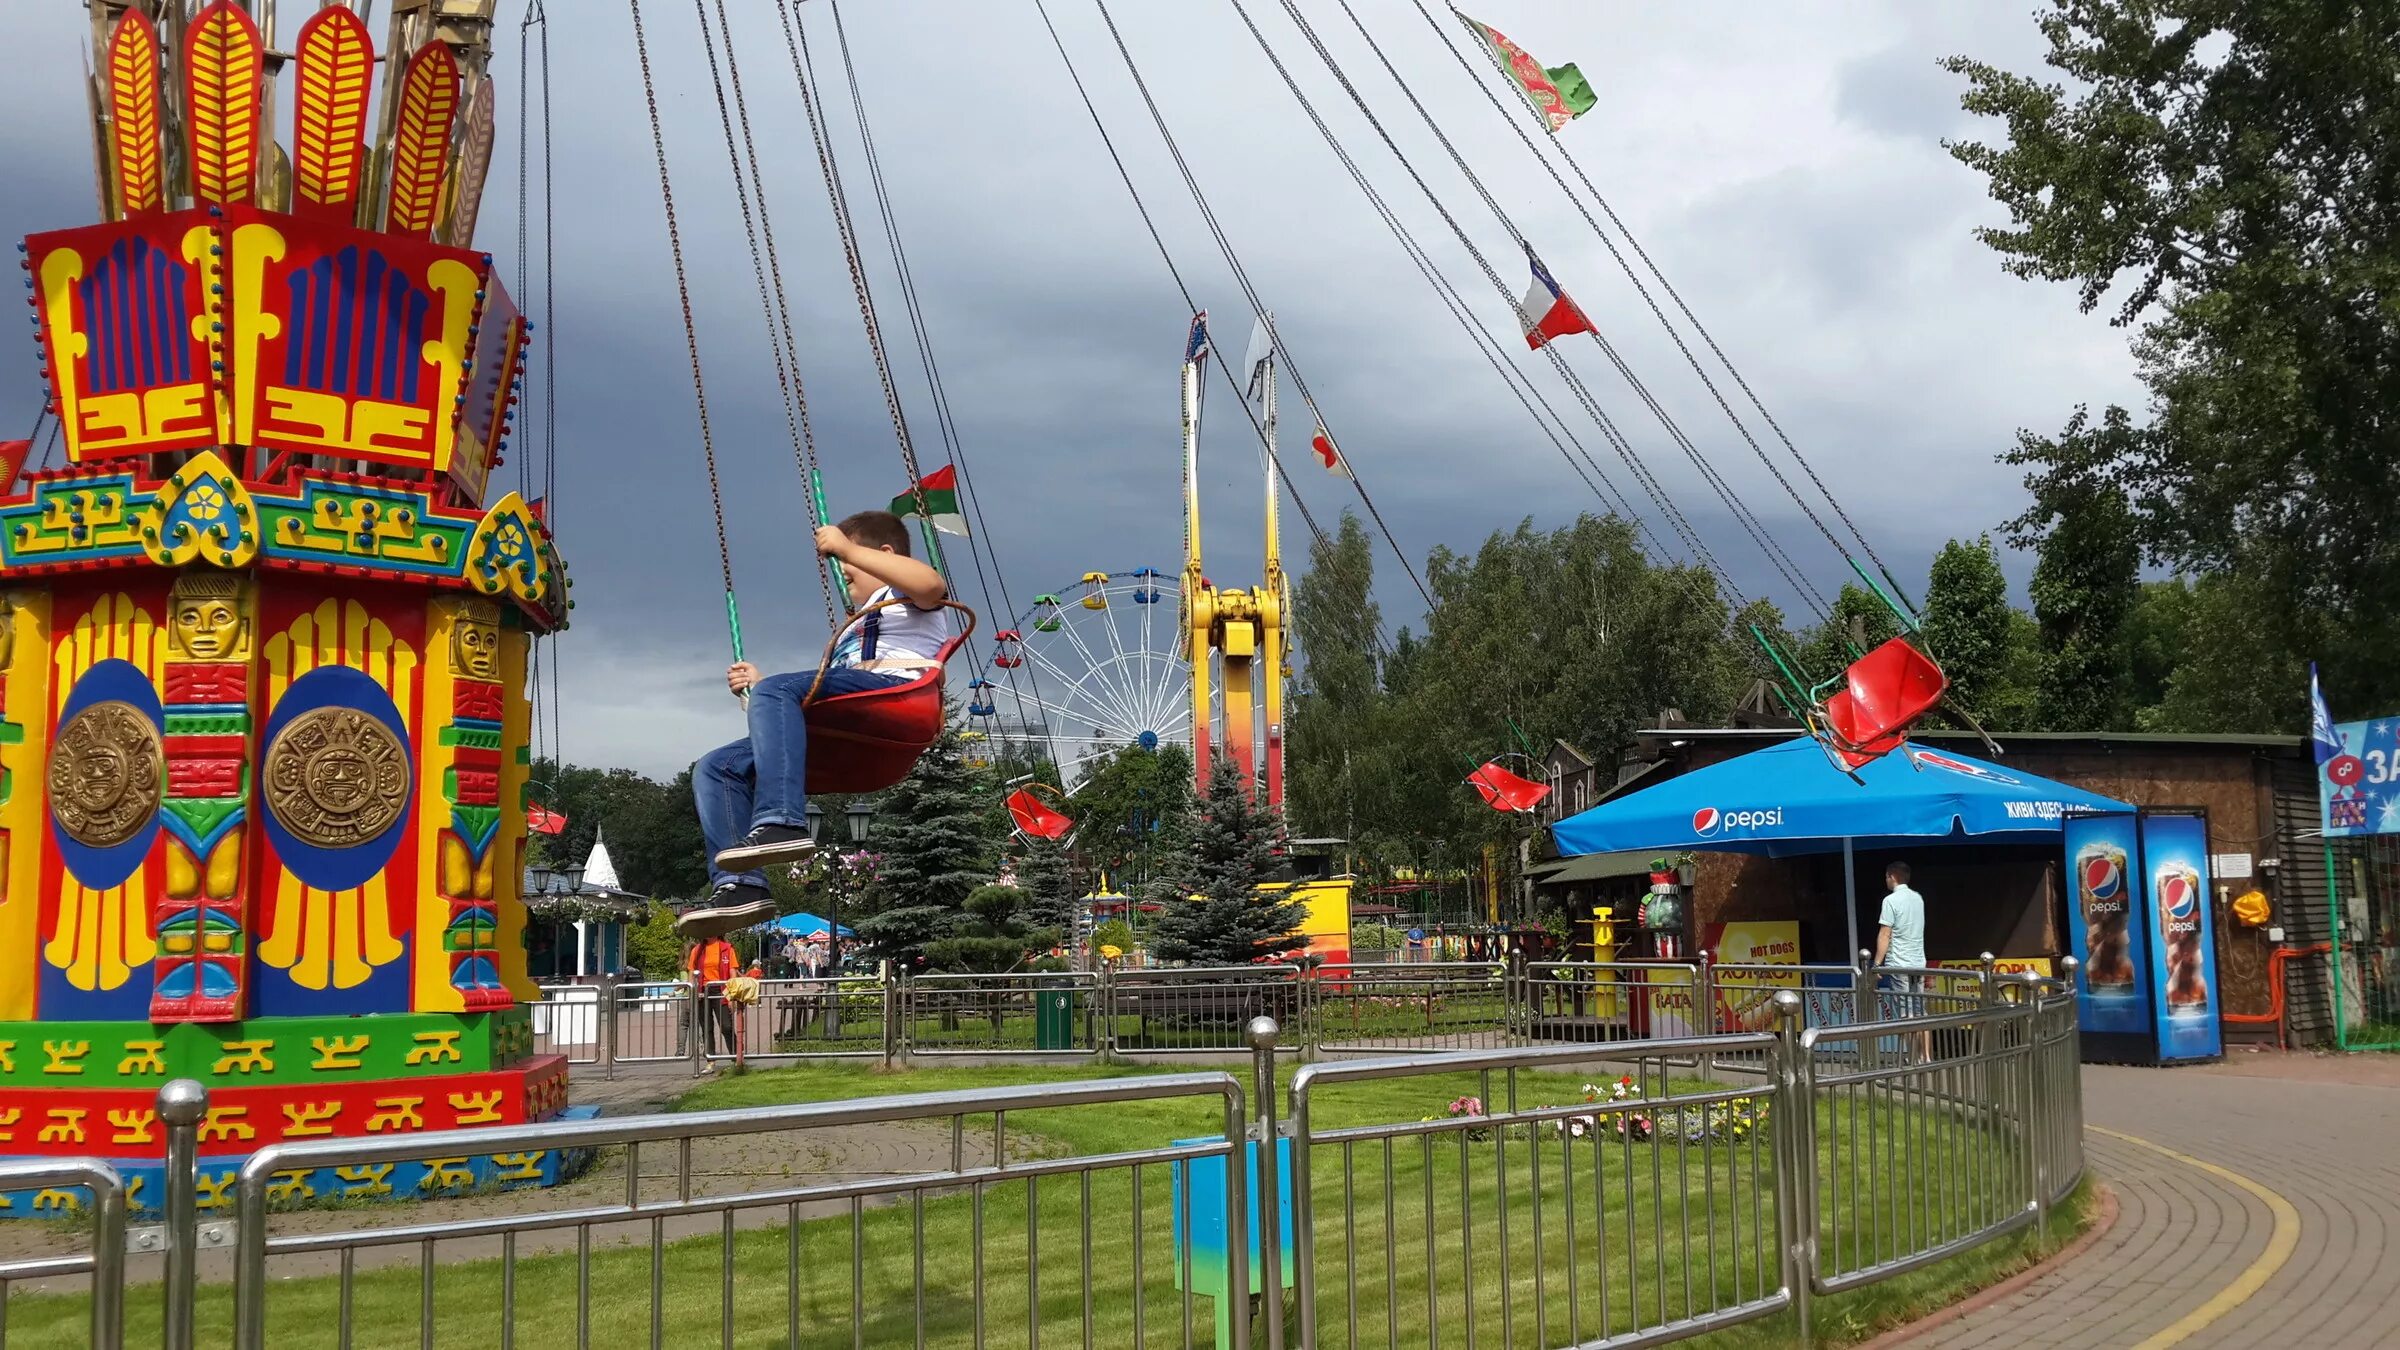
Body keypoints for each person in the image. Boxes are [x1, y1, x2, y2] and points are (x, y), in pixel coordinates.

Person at [677, 511, 949, 940]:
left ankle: (782, 819)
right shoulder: (853, 627)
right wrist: (759, 690)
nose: (845, 577)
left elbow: (932, 584)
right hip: (853, 716)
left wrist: (844, 545)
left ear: (883, 555)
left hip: (896, 695)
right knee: (716, 766)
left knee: (777, 692)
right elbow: (803, 702)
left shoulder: (907, 597)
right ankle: (740, 886)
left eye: (848, 566)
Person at [1872, 861, 1931, 1063]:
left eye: (1886, 876)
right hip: (1918, 962)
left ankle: (1912, 1057)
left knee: (1906, 1013)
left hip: (1899, 962)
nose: (1886, 880)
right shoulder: (1918, 899)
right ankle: (1927, 1056)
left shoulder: (1890, 901)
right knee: (1920, 1011)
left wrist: (1877, 963)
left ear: (1892, 876)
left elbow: (1885, 933)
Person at [687, 934, 740, 1060]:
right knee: (707, 1027)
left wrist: (732, 996)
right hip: (703, 990)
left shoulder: (727, 948)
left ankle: (736, 1056)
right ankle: (711, 1060)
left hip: (721, 990)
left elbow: (732, 972)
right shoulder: (697, 950)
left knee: (726, 1026)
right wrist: (692, 992)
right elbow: (691, 971)